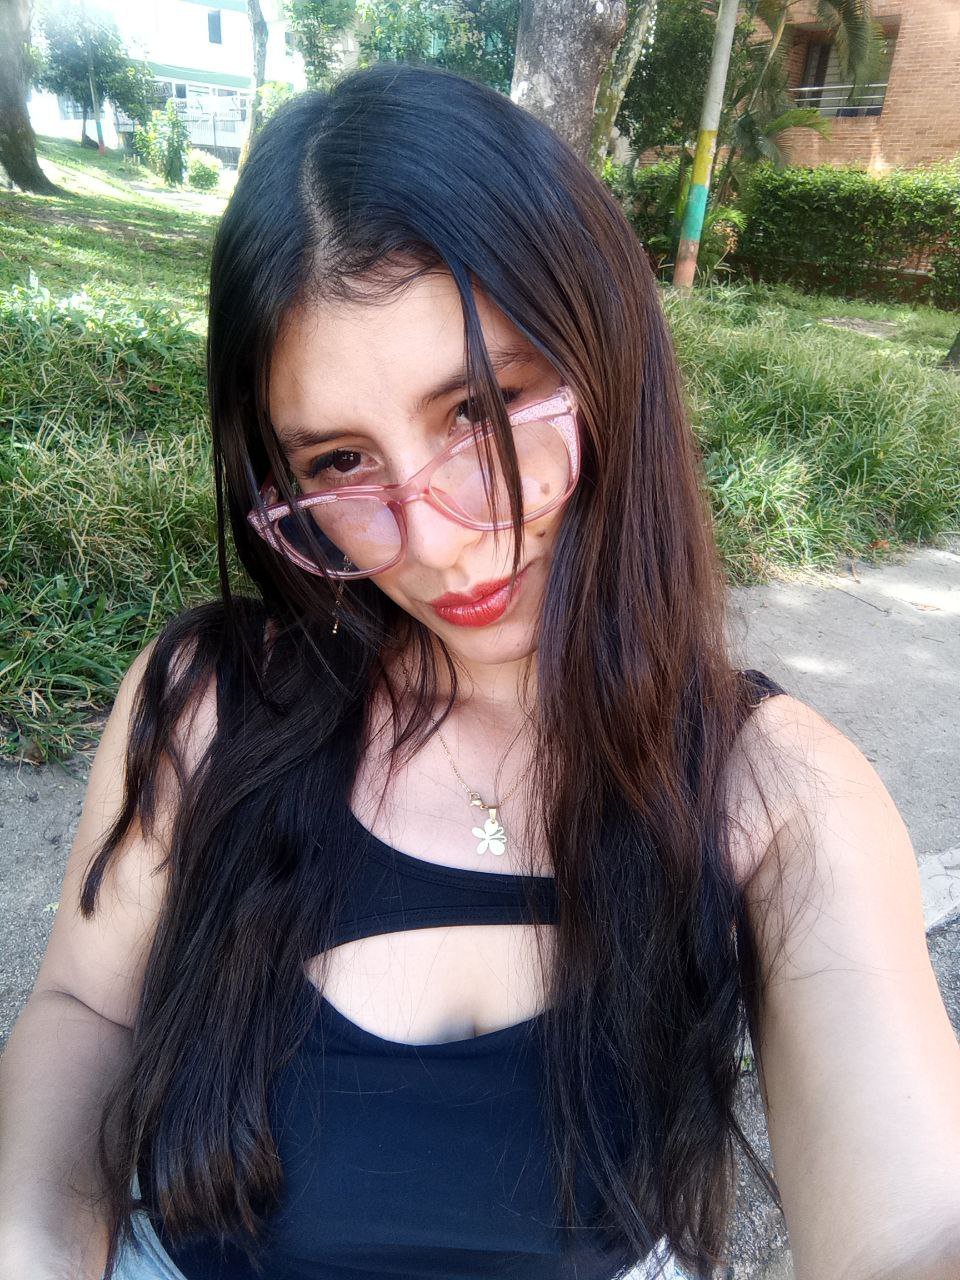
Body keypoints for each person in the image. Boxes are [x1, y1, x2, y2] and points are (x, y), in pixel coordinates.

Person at [3, 60, 959, 1280]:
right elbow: (86, 1007)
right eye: (340, 461)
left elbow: (916, 1225)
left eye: (482, 409)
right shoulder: (206, 706)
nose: (441, 540)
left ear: (606, 351)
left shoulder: (780, 800)